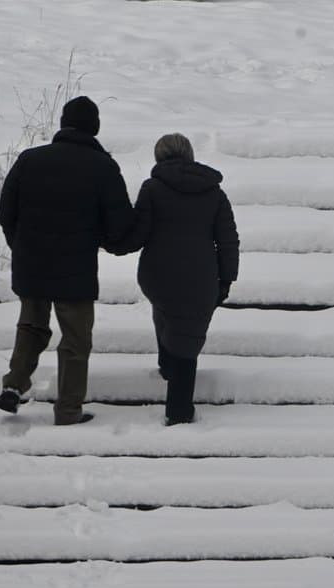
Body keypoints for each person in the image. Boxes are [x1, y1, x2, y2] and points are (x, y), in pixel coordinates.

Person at [0, 96, 135, 425]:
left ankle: (13, 387)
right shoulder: (103, 167)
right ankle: (68, 410)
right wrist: (114, 242)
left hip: (32, 263)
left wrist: (23, 246)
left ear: (62, 123)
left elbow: (5, 214)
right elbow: (119, 224)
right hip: (76, 269)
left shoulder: (29, 160)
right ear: (95, 127)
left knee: (30, 326)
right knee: (75, 340)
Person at [113, 133, 239, 425]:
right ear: (190, 155)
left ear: (159, 157)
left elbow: (138, 234)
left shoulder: (153, 189)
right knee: (187, 332)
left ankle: (167, 367)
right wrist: (227, 278)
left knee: (168, 315)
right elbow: (228, 241)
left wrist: (111, 241)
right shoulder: (214, 193)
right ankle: (179, 410)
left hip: (157, 275)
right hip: (201, 277)